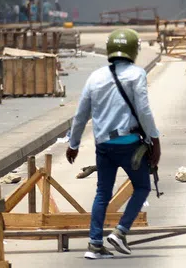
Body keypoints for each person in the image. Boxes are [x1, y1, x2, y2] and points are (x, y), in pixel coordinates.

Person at [67, 29, 161, 260]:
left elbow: (81, 115)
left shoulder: (95, 77)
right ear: (134, 50)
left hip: (104, 147)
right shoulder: (136, 74)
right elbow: (144, 111)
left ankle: (95, 244)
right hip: (129, 145)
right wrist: (155, 140)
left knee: (102, 193)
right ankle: (120, 232)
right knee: (142, 188)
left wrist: (74, 143)